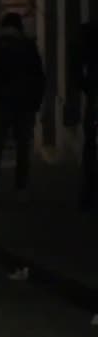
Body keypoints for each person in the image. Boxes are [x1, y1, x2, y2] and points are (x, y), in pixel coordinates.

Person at [0, 12, 46, 208]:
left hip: (2, 103)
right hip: (24, 104)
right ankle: (21, 189)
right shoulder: (27, 45)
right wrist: (36, 103)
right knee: (22, 148)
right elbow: (39, 77)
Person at [73, 21, 98, 209]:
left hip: (94, 97)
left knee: (91, 145)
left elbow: (76, 65)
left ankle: (88, 191)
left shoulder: (89, 31)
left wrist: (86, 87)